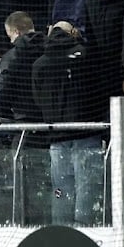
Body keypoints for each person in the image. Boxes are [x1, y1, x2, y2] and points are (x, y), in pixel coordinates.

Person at [32, 21, 106, 226]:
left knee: (60, 188)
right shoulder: (86, 56)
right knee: (87, 187)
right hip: (86, 132)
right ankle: (86, 232)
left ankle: (61, 233)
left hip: (57, 135)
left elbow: (38, 99)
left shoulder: (40, 63)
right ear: (72, 33)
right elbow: (99, 88)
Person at [0, 12, 45, 122]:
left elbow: (2, 89)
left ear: (17, 32)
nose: (11, 41)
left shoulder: (12, 56)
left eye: (10, 36)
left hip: (24, 116)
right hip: (51, 115)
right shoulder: (50, 48)